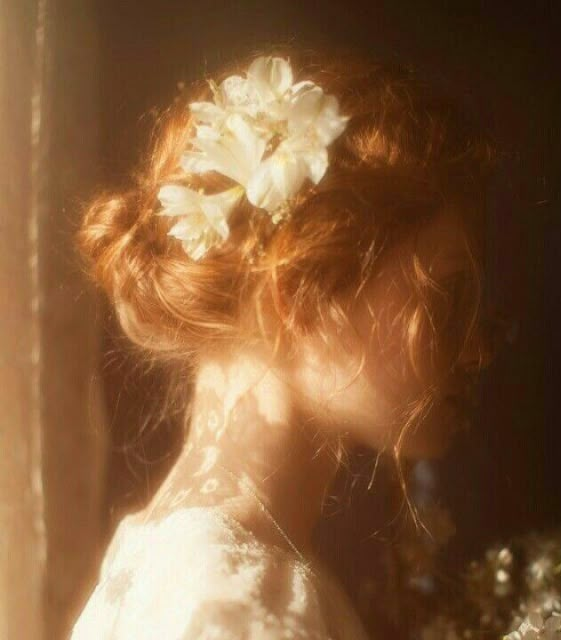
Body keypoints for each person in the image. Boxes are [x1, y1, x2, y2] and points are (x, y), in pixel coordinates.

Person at [70, 47, 505, 640]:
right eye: (447, 295)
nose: (477, 347)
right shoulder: (236, 609)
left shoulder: (192, 566)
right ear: (301, 294)